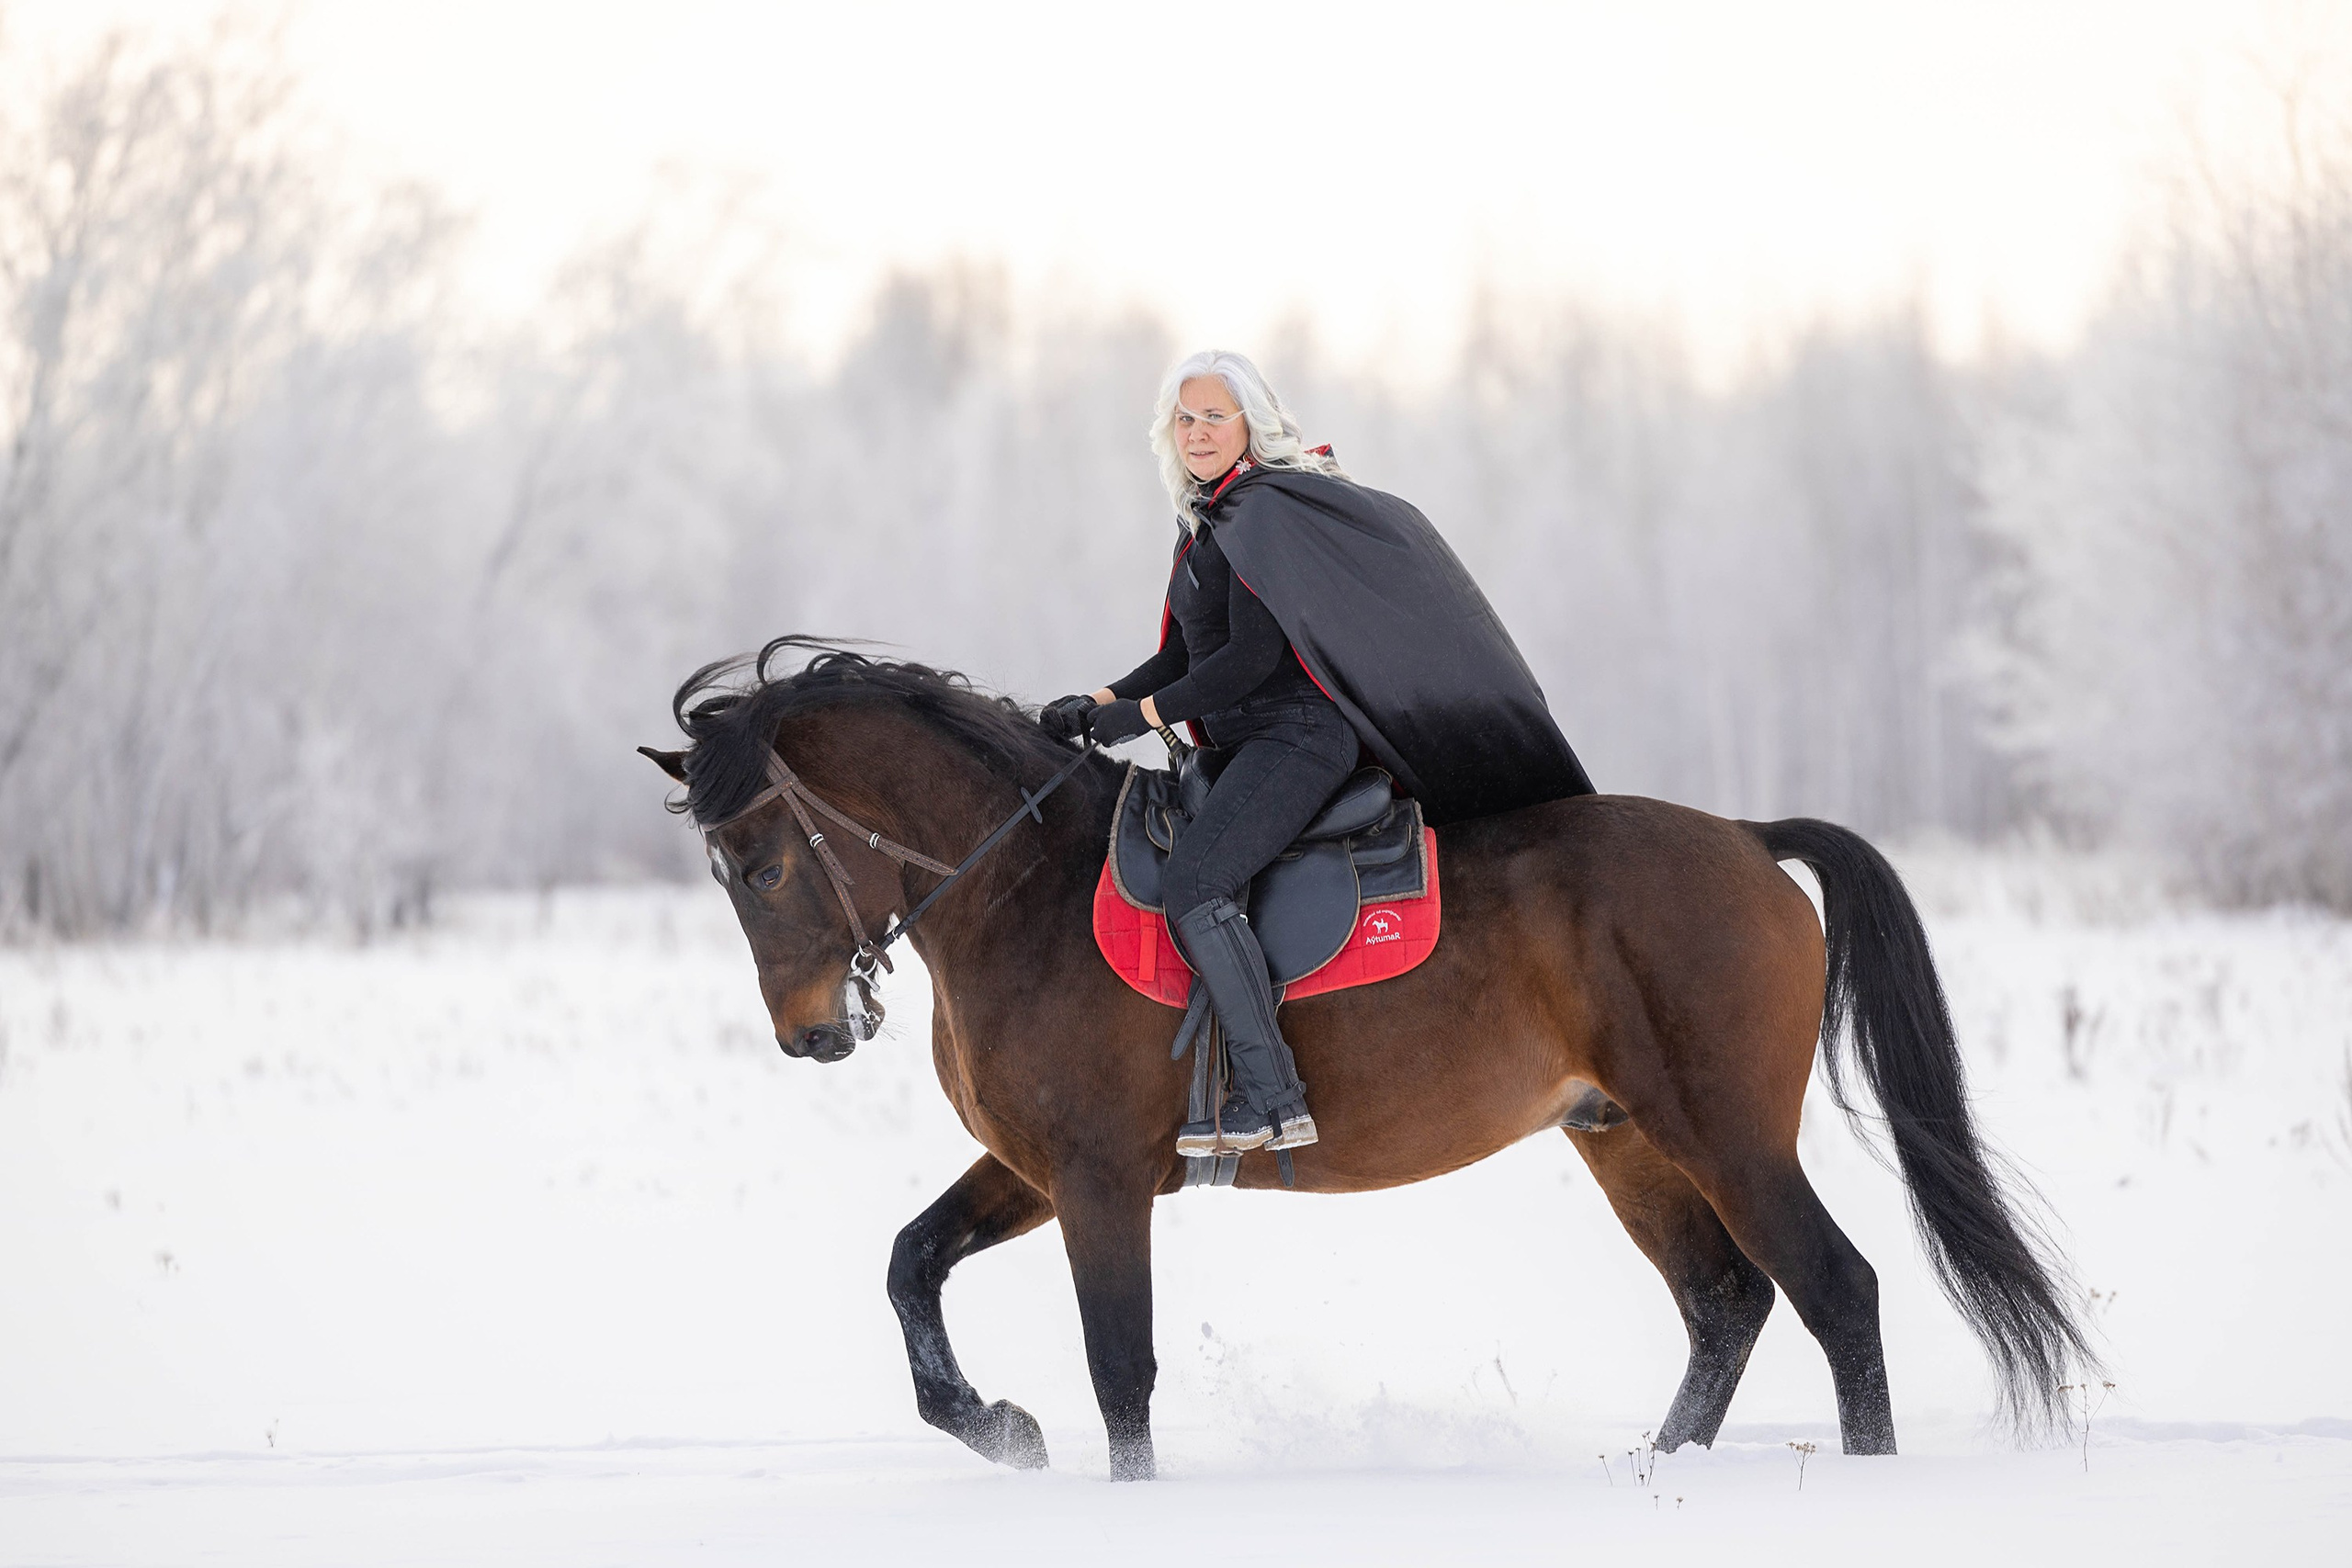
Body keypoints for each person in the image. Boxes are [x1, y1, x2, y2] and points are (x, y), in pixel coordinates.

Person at [1042, 350, 1594, 1158]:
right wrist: (1098, 703)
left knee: (1198, 882)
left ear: (1248, 426)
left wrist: (1146, 715)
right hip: (1249, 742)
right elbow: (1186, 658)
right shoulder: (1212, 519)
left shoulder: (1264, 515)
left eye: (1212, 418)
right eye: (1184, 419)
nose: (1196, 432)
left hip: (1298, 739)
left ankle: (1270, 1095)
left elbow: (1247, 663)